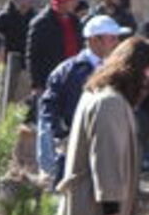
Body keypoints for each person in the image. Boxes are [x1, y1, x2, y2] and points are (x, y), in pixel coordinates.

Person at [44, 36, 148, 215]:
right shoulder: (110, 103)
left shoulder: (104, 96)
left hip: (95, 200)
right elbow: (106, 158)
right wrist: (111, 209)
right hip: (96, 204)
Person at [36, 14, 130, 182]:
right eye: (112, 38)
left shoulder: (122, 71)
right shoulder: (67, 72)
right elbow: (49, 109)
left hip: (111, 148)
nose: (117, 43)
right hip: (72, 148)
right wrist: (61, 135)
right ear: (94, 40)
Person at [26, 0, 82, 100]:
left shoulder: (75, 21)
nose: (75, 3)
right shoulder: (41, 23)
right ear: (61, 1)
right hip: (50, 77)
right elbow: (33, 56)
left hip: (73, 77)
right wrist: (37, 84)